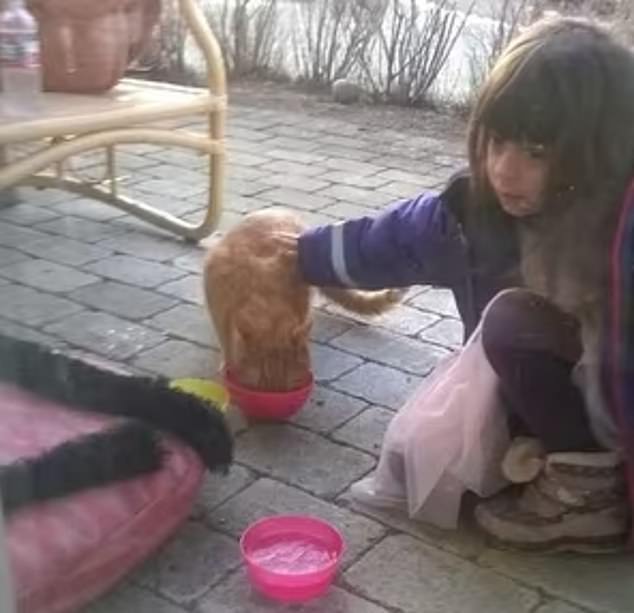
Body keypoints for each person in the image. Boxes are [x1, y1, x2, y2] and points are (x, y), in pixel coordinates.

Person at [277, 16, 634, 551]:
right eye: (496, 143)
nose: (504, 173)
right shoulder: (472, 215)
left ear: (596, 152)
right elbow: (390, 239)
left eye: (537, 152)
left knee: (513, 319)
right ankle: (560, 462)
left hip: (617, 421)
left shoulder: (621, 226)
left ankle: (588, 502)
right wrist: (301, 256)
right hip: (535, 405)